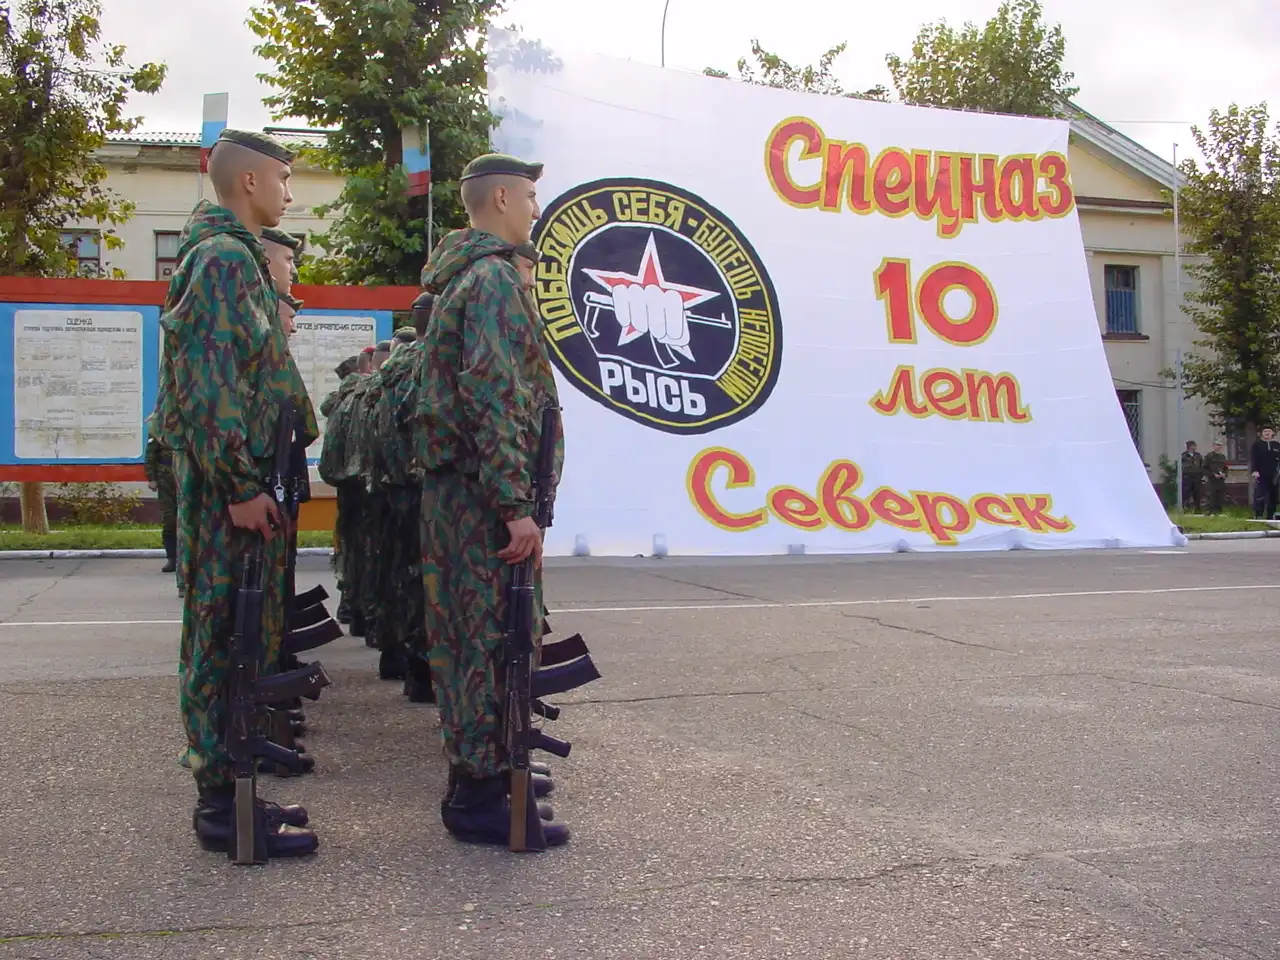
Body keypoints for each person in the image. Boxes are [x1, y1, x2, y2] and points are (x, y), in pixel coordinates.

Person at [154, 128, 319, 858]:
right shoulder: (223, 259)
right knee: (223, 639)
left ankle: (236, 795)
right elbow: (210, 385)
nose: (289, 192)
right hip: (233, 496)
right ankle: (223, 807)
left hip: (242, 489)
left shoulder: (234, 258)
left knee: (238, 640)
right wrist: (239, 485)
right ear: (249, 182)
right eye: (283, 178)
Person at [416, 152, 568, 848]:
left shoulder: (466, 277)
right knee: (487, 641)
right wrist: (515, 505)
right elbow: (494, 392)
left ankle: (482, 777)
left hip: (464, 493)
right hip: (483, 500)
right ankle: (478, 794)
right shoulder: (493, 280)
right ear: (502, 198)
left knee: (474, 638)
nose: (536, 208)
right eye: (530, 196)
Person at [372, 322, 433, 699]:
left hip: (391, 486)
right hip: (422, 485)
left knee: (397, 575)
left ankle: (397, 656)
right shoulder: (429, 362)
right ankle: (422, 669)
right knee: (425, 581)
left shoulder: (388, 378)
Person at [318, 355, 370, 635]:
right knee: (365, 549)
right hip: (364, 484)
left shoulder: (338, 401)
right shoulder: (364, 398)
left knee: (348, 546)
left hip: (344, 484)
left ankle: (348, 604)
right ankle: (360, 610)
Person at [142, 412, 178, 583]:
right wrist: (152, 478)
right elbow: (151, 454)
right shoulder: (158, 426)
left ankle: (190, 559)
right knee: (170, 519)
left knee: (190, 520)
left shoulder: (190, 419)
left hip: (188, 477)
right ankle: (172, 558)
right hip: (166, 479)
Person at [1249, 427, 1280, 519]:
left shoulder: (1277, 445)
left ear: (1272, 433)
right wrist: (1254, 470)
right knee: (1260, 494)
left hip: (1274, 475)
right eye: (1265, 431)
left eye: (1269, 431)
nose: (1267, 433)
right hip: (1261, 474)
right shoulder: (1257, 445)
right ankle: (1259, 514)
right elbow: (1253, 458)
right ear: (1261, 433)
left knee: (1273, 495)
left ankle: (1271, 515)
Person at [1203, 439, 1229, 515]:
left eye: (1220, 445)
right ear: (1213, 446)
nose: (1218, 447)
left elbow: (1225, 468)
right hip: (1212, 480)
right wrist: (1213, 474)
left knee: (1220, 497)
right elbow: (1204, 468)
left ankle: (1218, 512)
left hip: (1221, 480)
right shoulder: (1209, 456)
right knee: (1212, 496)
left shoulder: (1222, 457)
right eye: (1217, 445)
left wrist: (1224, 474)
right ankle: (1210, 512)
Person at [1181, 441, 1204, 512]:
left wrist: (1202, 475)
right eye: (1193, 446)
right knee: (1186, 493)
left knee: (1197, 493)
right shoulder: (1183, 455)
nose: (1195, 447)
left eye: (1195, 446)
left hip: (1197, 477)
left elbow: (1202, 465)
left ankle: (1197, 509)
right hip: (1187, 477)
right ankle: (1185, 507)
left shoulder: (1198, 455)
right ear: (1189, 447)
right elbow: (1181, 466)